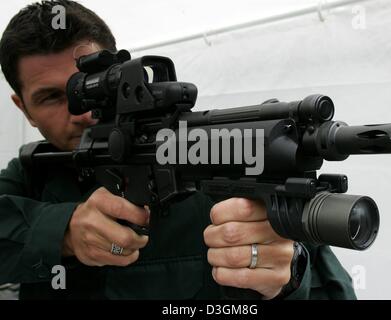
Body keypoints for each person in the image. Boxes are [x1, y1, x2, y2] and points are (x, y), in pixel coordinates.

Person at [0, 0, 356, 300]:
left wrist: (290, 278)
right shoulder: (31, 175)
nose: (82, 113)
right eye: (51, 97)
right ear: (23, 109)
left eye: (90, 90)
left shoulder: (210, 166)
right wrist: (63, 231)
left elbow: (335, 290)